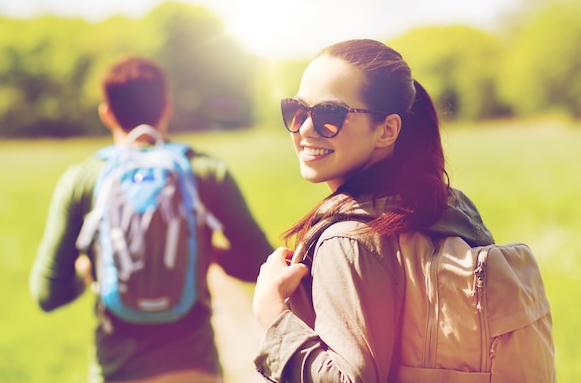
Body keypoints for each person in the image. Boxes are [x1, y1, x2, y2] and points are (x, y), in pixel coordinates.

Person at [252, 39, 495, 382]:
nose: (305, 129)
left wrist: (272, 314)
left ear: (387, 130)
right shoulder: (451, 208)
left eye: (328, 115)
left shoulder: (349, 241)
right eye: (297, 110)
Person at [29, 56, 274, 383]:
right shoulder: (205, 171)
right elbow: (260, 264)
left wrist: (88, 271)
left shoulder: (83, 179)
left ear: (107, 113)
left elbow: (48, 294)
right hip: (194, 367)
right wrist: (212, 254)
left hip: (117, 370)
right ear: (167, 106)